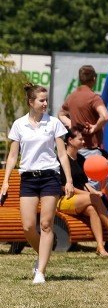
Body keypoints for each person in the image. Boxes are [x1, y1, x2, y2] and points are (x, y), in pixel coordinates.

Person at [1, 83, 75, 284]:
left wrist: (68, 180)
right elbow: (13, 155)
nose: (45, 104)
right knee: (27, 226)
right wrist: (6, 182)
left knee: (45, 224)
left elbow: (62, 154)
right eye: (41, 100)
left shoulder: (53, 123)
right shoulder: (19, 124)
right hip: (28, 178)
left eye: (46, 100)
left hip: (50, 177)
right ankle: (44, 251)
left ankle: (40, 271)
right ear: (31, 102)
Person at [59, 126, 108, 256]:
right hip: (65, 199)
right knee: (94, 199)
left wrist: (93, 191)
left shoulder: (80, 159)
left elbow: (84, 183)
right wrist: (90, 195)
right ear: (70, 140)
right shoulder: (62, 160)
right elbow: (65, 187)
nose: (83, 142)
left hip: (80, 199)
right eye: (80, 139)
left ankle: (100, 248)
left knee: (92, 208)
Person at [58, 65, 108, 158]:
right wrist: (95, 127)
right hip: (91, 150)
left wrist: (71, 123)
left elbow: (61, 114)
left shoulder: (71, 96)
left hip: (75, 150)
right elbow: (105, 116)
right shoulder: (93, 98)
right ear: (94, 78)